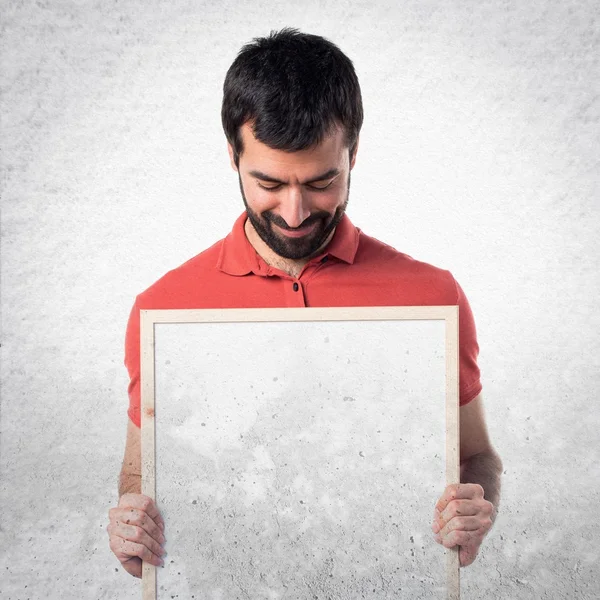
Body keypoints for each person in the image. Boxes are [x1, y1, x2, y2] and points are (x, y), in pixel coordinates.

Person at [107, 27, 502, 580]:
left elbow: (477, 455)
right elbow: (139, 475)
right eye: (268, 182)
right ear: (232, 156)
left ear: (354, 154)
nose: (294, 213)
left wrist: (476, 507)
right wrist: (131, 525)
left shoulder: (432, 298)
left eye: (322, 182)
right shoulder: (163, 310)